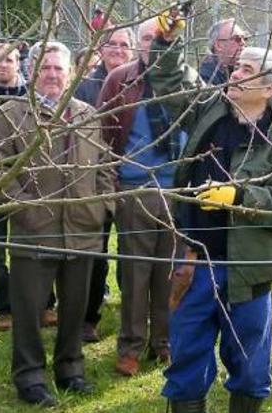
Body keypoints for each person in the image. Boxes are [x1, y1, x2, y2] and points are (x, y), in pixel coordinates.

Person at [149, 29, 272, 413]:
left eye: (247, 70)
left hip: (248, 272)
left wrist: (240, 197)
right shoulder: (209, 109)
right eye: (237, 68)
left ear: (270, 89)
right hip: (195, 264)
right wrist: (166, 42)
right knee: (187, 357)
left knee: (250, 365)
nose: (235, 74)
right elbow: (171, 78)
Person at [0, 40, 116, 407]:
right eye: (45, 68)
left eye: (59, 69)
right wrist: (25, 210)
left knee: (75, 308)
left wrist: (102, 208)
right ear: (32, 72)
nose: (52, 75)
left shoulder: (87, 114)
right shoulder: (11, 114)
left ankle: (70, 368)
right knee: (28, 310)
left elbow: (105, 168)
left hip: (82, 231)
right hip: (33, 231)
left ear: (72, 73)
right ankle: (29, 375)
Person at [96, 19, 181, 376]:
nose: (152, 43)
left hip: (177, 192)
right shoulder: (120, 79)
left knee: (170, 273)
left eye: (158, 37)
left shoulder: (184, 80)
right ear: (137, 44)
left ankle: (164, 341)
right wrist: (113, 182)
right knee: (134, 274)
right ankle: (130, 345)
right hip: (133, 190)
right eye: (145, 37)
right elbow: (102, 133)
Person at [74, 27, 134, 342]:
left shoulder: (140, 84)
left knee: (133, 249)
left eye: (125, 45)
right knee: (93, 251)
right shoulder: (84, 87)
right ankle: (88, 316)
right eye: (111, 44)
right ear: (100, 49)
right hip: (94, 180)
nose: (118, 50)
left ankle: (134, 310)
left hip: (133, 180)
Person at [0, 43, 28, 332]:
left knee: (32, 246)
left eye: (9, 60)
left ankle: (43, 303)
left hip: (28, 182)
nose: (4, 65)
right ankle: (4, 309)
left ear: (19, 64)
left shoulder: (30, 97)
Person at [198, 18, 247, 85]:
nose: (243, 43)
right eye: (237, 39)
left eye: (245, 38)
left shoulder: (236, 70)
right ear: (219, 45)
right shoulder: (206, 77)